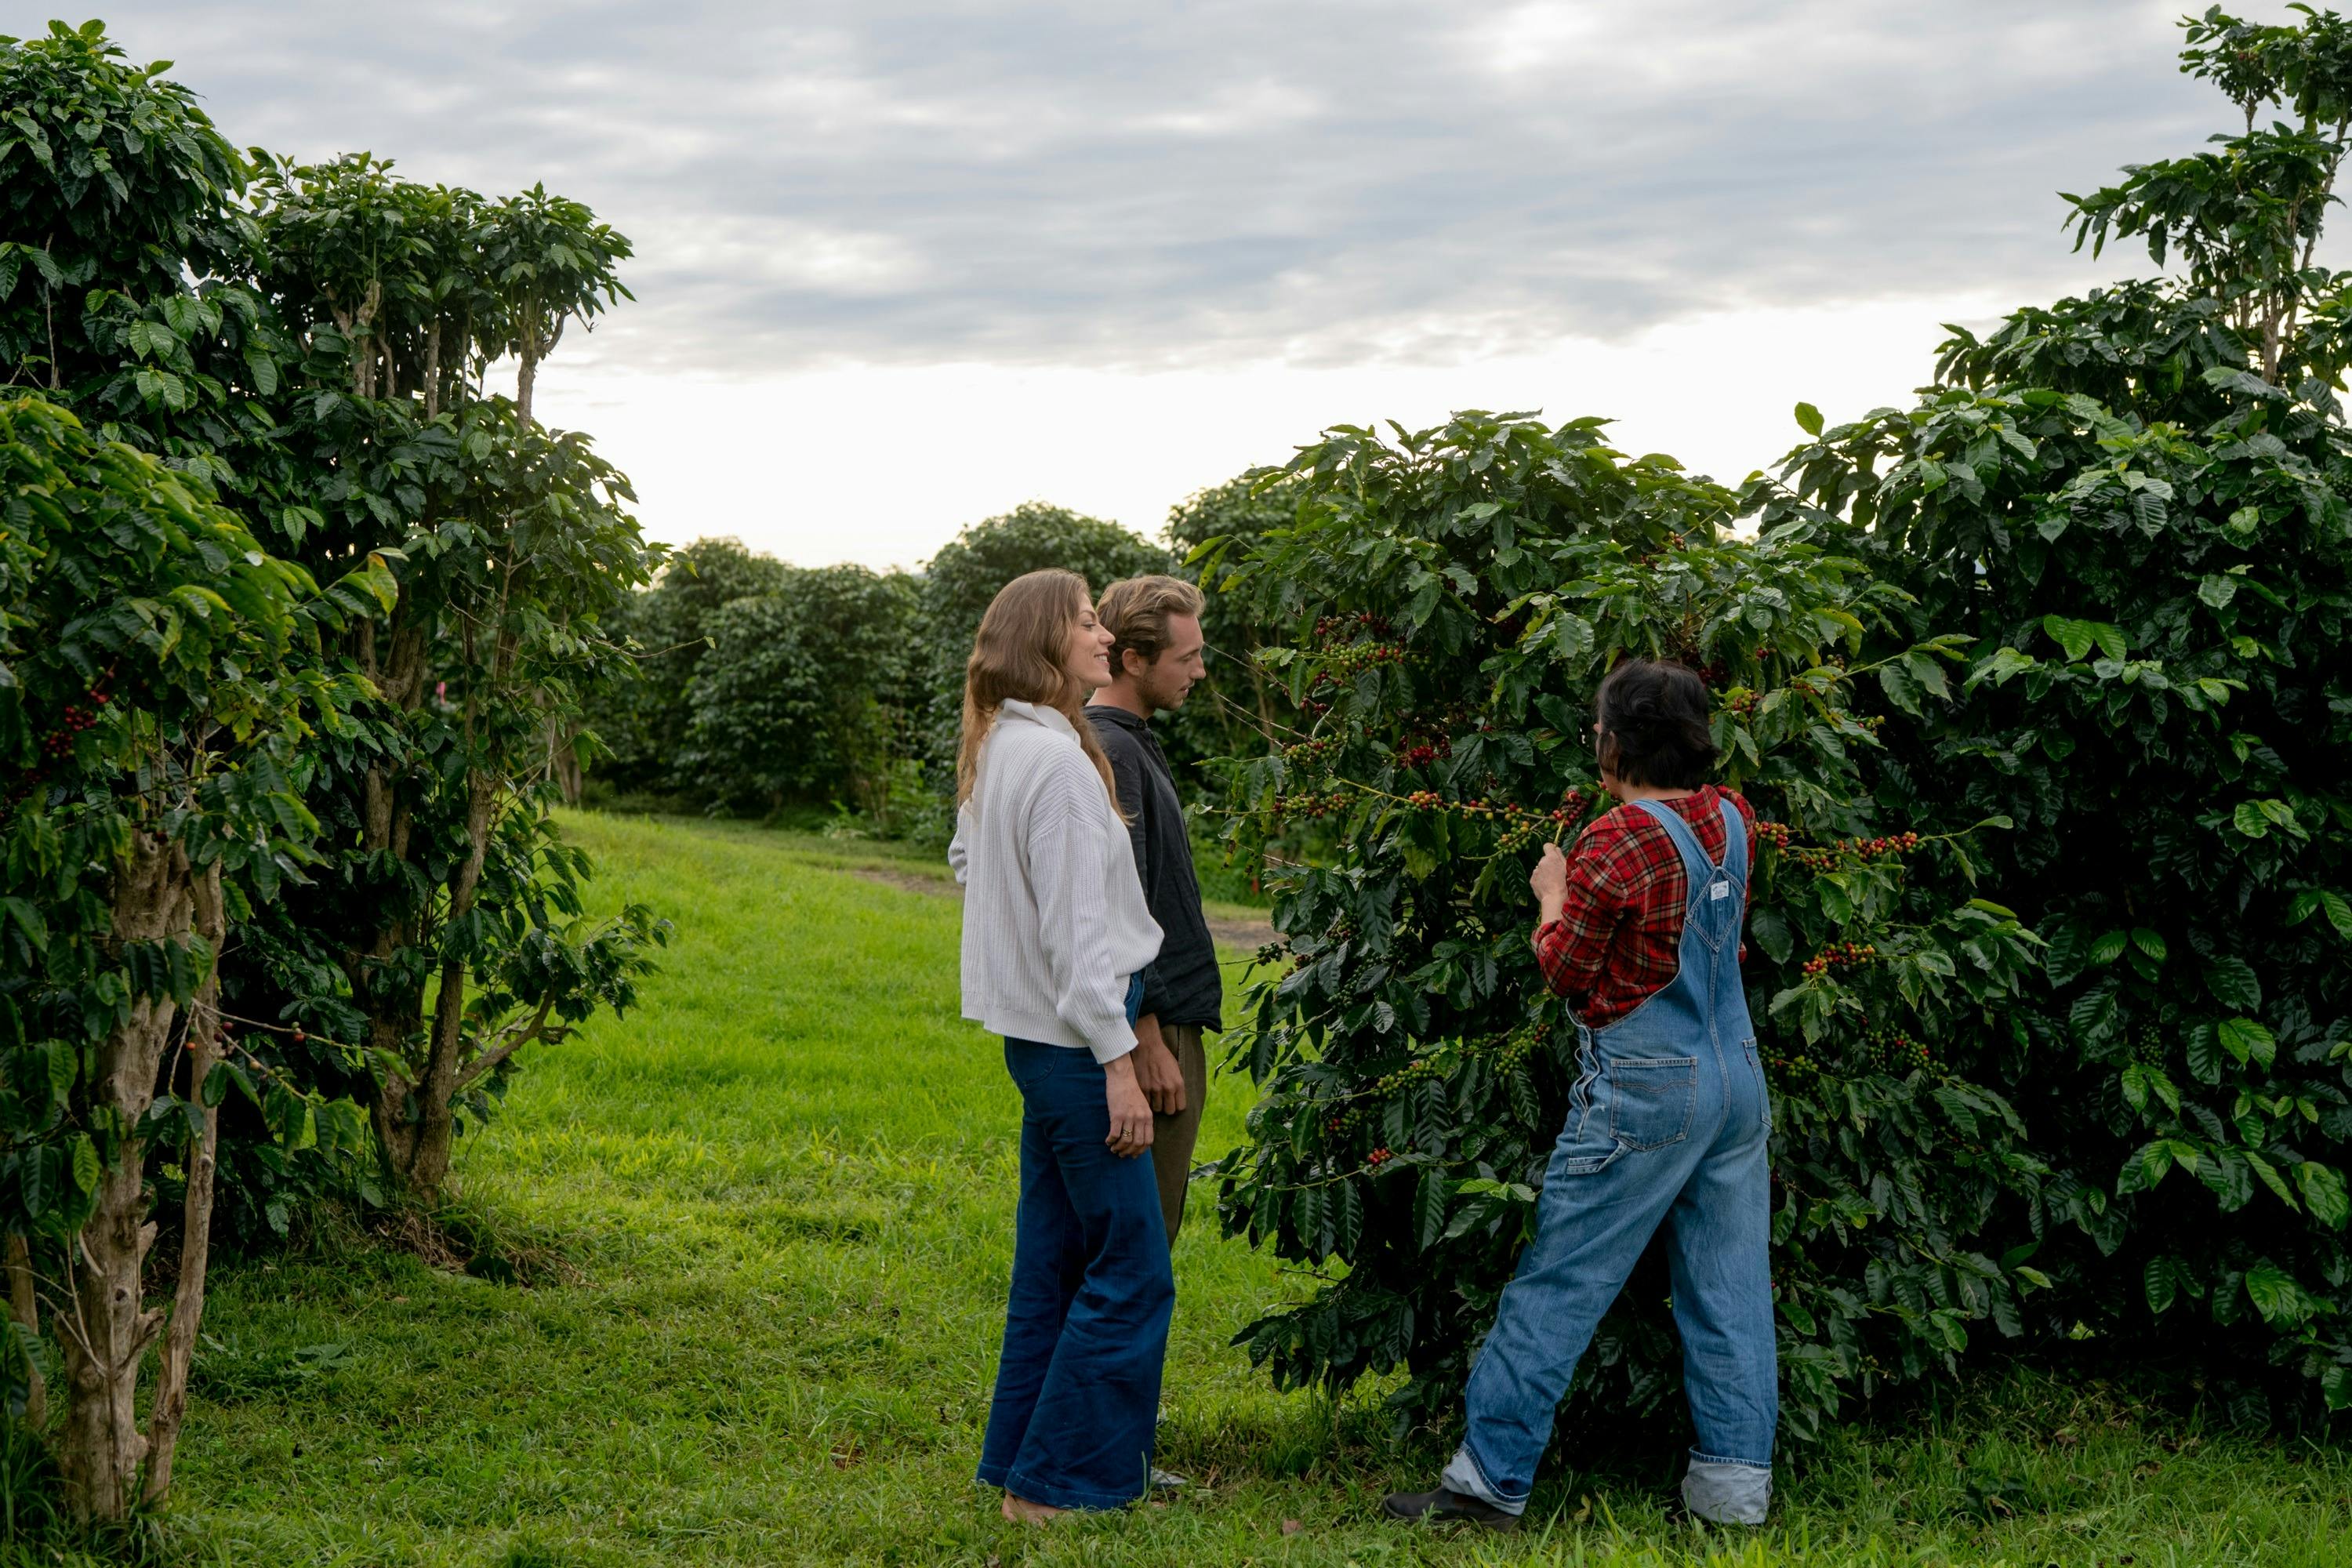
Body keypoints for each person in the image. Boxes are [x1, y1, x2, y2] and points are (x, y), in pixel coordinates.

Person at [1384, 657, 1774, 1531]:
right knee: (1731, 1288)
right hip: (1737, 1081)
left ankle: (1487, 1485)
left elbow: (1566, 969)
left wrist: (1551, 891)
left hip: (1648, 1091)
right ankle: (1732, 1500)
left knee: (1559, 1282)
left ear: (1611, 742)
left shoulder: (1613, 839)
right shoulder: (1735, 817)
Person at [950, 569, 1172, 1521]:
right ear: (1048, 641)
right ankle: (1057, 1487)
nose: (1100, 632)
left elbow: (969, 862)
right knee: (1132, 1266)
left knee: (1053, 1259)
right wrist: (1117, 1061)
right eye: (1085, 620)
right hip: (1079, 1042)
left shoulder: (1003, 746)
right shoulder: (1061, 768)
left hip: (1036, 1041)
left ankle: (1017, 1465)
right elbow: (1085, 952)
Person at [1085, 575, 1221, 1247]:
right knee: (1141, 1240)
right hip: (1150, 1030)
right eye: (1187, 657)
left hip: (1157, 1020)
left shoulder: (1129, 739)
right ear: (1133, 659)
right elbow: (1119, 901)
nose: (1200, 670)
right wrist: (1146, 1035)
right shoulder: (1113, 750)